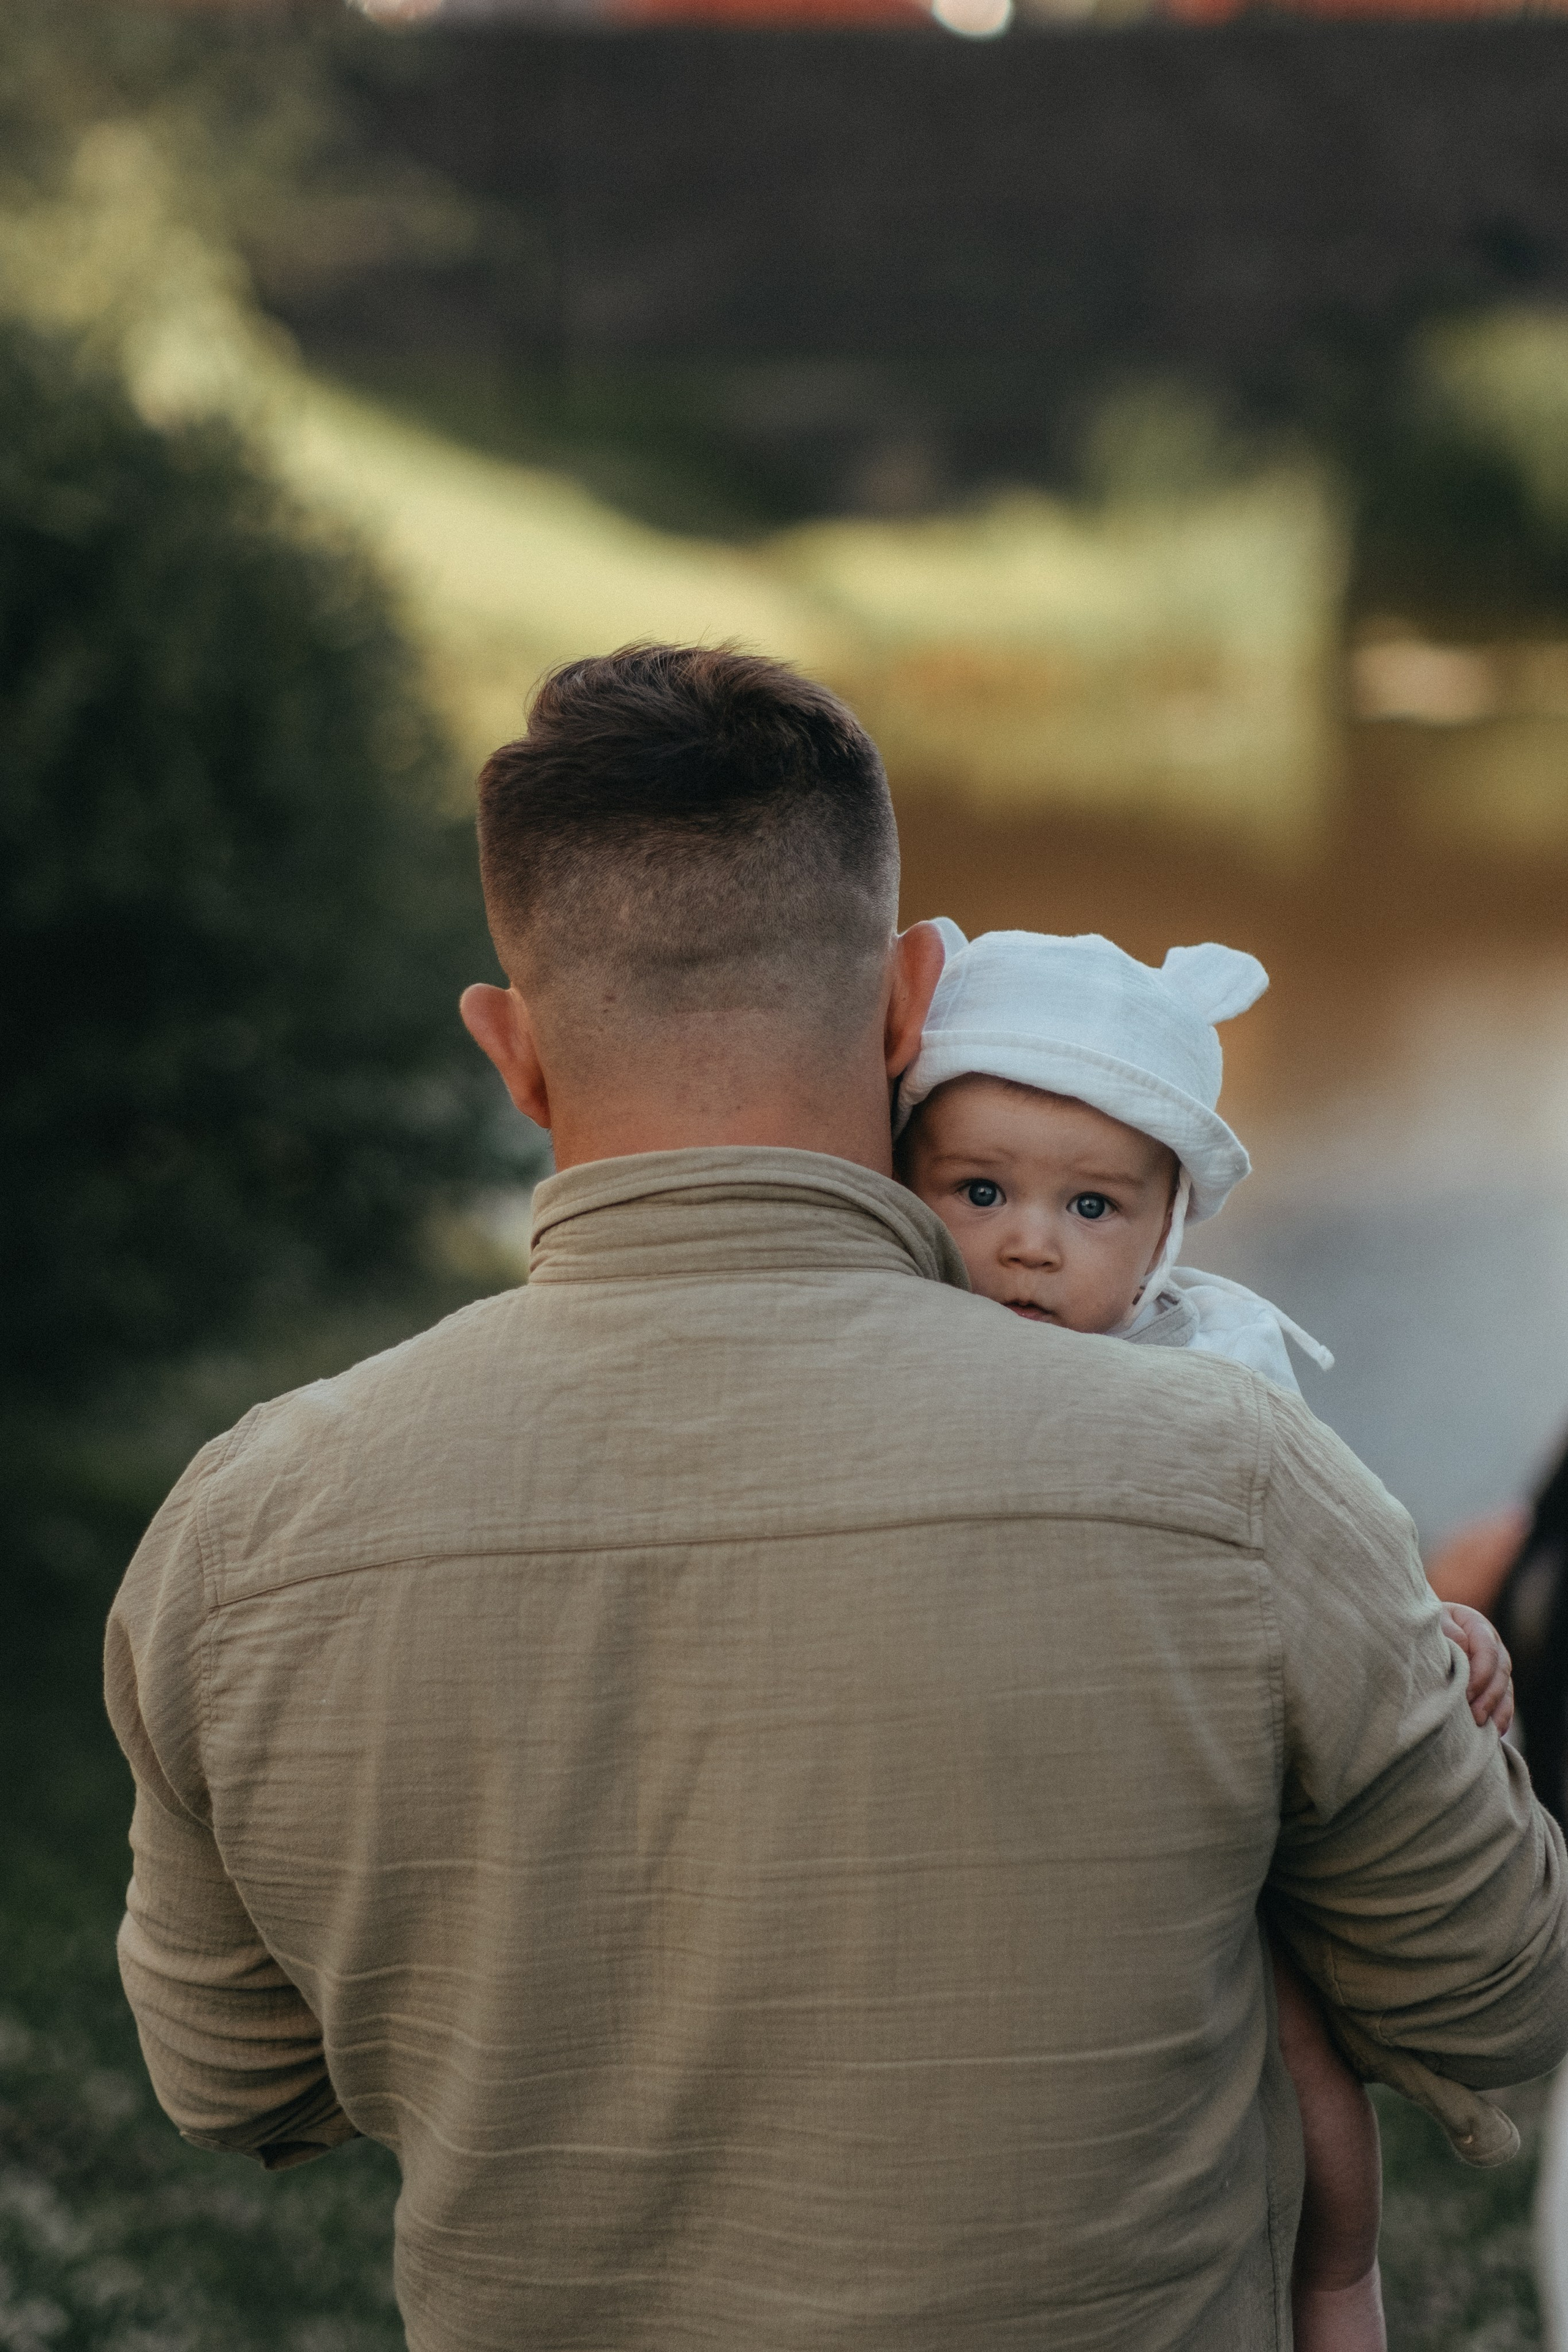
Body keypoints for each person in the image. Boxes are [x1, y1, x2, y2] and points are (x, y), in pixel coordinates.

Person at [106, 645, 1568, 2352]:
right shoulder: (1231, 1480)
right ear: (904, 1004)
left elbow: (230, 2079)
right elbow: (1500, 1993)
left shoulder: (248, 1534)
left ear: (510, 1051)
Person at [893, 921, 1520, 2351]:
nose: (1028, 1243)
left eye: (1092, 1210)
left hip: (1205, 1818)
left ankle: (1335, 2289)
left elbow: (1340, 1557)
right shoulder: (896, 1346)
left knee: (1305, 2081)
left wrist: (1437, 1626)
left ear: (1166, 1231)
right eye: (977, 1191)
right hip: (1003, 1809)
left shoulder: (1211, 1373)